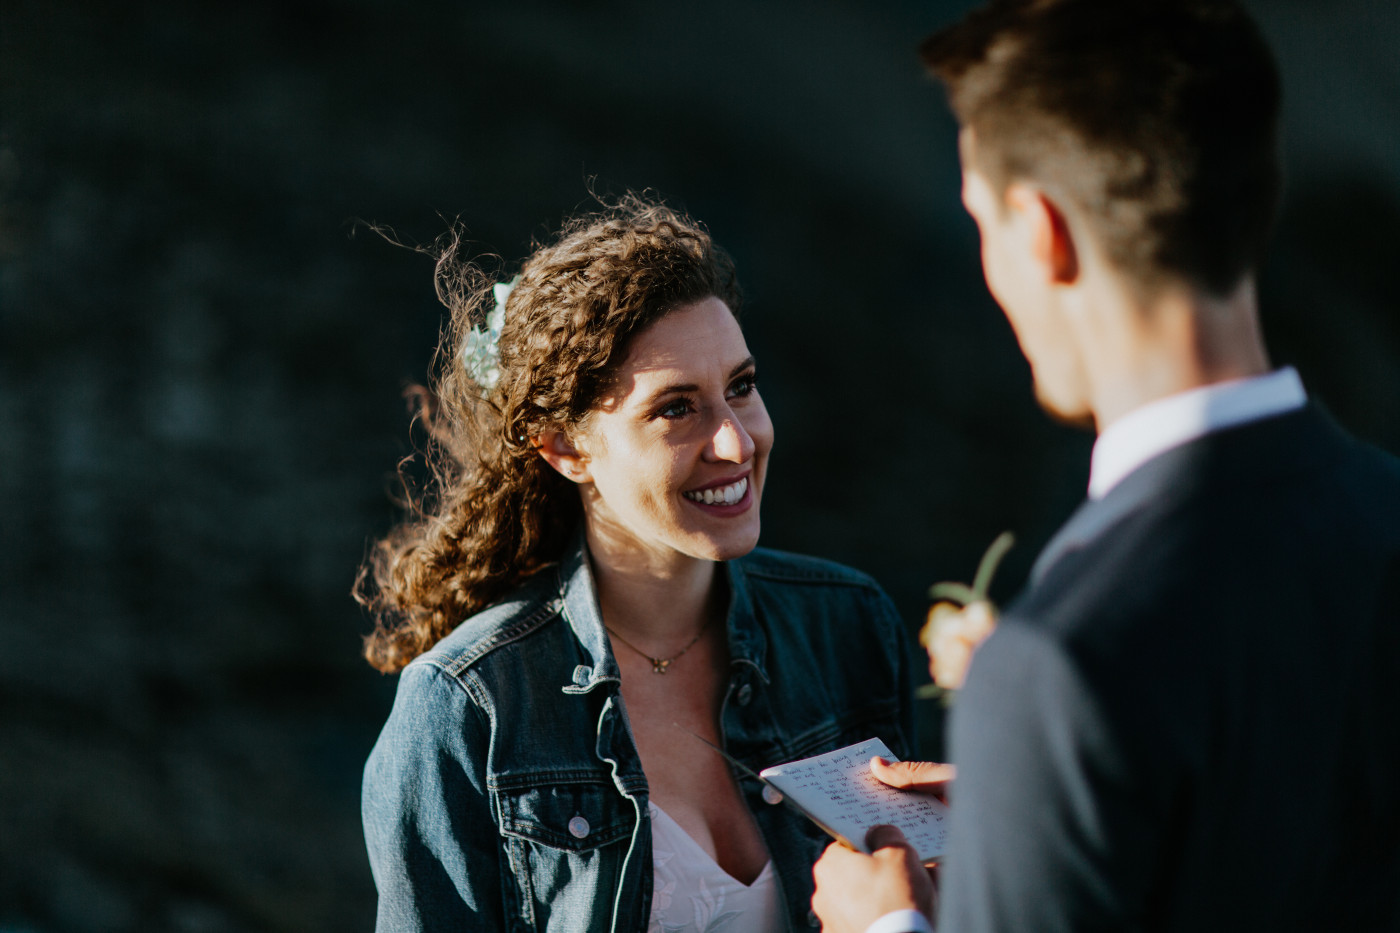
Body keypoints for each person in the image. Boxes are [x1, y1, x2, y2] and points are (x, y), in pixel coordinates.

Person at [811, 1, 1400, 931]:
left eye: (983, 224)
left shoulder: (1061, 662)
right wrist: (1043, 807)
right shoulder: (1383, 513)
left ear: (1040, 230)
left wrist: (885, 924)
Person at [357, 196, 916, 932]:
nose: (736, 443)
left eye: (741, 387)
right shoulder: (467, 709)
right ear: (566, 448)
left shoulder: (847, 625)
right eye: (676, 408)